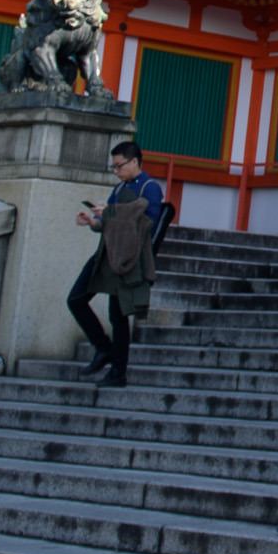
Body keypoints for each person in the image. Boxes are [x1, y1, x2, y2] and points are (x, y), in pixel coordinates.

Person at [69, 140, 164, 389]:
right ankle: (103, 348)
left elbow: (146, 223)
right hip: (107, 253)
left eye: (119, 166)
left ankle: (117, 372)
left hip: (129, 257)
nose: (116, 171)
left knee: (118, 316)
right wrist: (93, 221)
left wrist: (110, 213)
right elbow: (109, 222)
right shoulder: (120, 188)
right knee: (76, 299)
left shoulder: (149, 188)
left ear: (134, 162)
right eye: (114, 167)